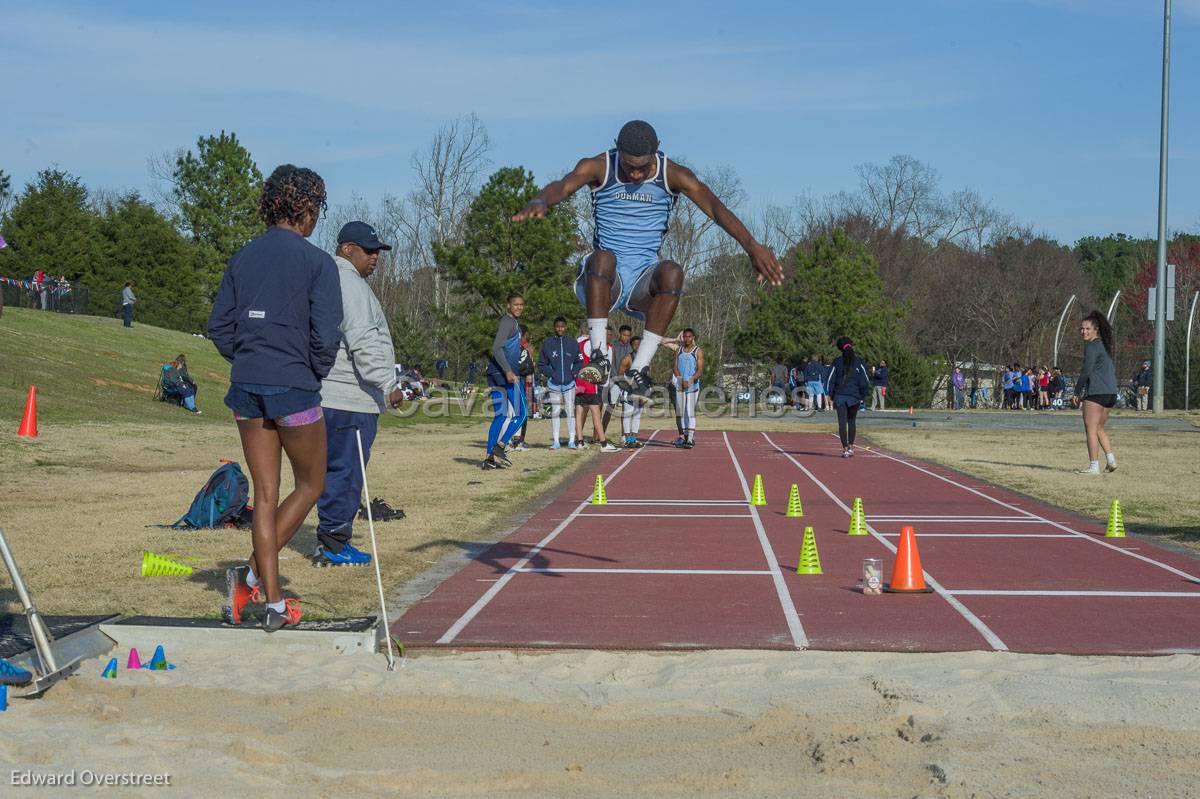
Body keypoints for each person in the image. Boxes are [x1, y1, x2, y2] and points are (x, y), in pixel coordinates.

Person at [511, 119, 783, 402]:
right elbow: (563, 186)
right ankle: (599, 356)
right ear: (617, 150)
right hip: (604, 281)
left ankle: (639, 369)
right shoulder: (600, 166)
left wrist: (752, 246)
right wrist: (542, 200)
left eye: (643, 166)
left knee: (673, 271)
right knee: (603, 258)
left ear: (657, 151)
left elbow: (715, 208)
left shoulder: (675, 175)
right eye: (630, 167)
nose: (637, 173)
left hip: (643, 281)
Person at [208, 164, 342, 632]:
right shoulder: (318, 262)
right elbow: (327, 336)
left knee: (265, 495)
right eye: (318, 211)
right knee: (310, 485)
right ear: (305, 208)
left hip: (245, 387)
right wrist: (309, 372)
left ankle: (272, 601)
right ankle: (251, 579)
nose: (317, 221)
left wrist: (249, 356)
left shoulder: (242, 257)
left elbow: (219, 328)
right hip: (295, 388)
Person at [313, 221, 405, 567]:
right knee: (346, 473)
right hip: (349, 399)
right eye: (369, 251)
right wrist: (388, 385)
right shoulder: (349, 283)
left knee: (322, 474)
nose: (375, 258)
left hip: (325, 396)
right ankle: (334, 543)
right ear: (346, 249)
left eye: (378, 251)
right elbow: (364, 340)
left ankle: (328, 538)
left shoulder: (323, 278)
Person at [482, 293, 530, 469]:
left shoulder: (512, 323)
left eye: (521, 304)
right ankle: (500, 446)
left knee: (501, 415)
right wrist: (508, 370)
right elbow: (496, 347)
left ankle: (488, 459)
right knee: (522, 413)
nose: (519, 307)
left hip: (495, 373)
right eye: (515, 304)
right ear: (508, 305)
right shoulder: (508, 321)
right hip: (504, 375)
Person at [1071, 310, 1119, 475]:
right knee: (1099, 428)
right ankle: (1111, 460)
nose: (1083, 332)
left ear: (1096, 329)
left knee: (1090, 429)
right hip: (1110, 393)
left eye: (1087, 329)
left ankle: (1094, 466)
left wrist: (1077, 391)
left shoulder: (1092, 346)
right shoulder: (1105, 345)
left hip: (1096, 393)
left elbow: (1086, 370)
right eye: (1082, 329)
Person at [538, 316, 583, 449]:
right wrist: (551, 374)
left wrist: (573, 373)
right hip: (554, 384)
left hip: (569, 384)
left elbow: (579, 361)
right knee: (556, 411)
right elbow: (542, 364)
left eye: (562, 326)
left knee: (570, 411)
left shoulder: (573, 343)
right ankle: (556, 441)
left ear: (566, 327)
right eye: (557, 326)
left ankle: (571, 440)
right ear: (554, 327)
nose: (560, 329)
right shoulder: (547, 343)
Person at [826, 337, 872, 458]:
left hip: (840, 396)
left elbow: (830, 379)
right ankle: (851, 446)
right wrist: (863, 395)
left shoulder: (836, 362)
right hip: (854, 396)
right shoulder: (859, 362)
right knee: (851, 421)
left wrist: (830, 394)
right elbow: (865, 381)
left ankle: (845, 449)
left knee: (842, 422)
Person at [574, 326, 612, 449]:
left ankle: (579, 441)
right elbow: (602, 368)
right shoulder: (599, 347)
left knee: (579, 412)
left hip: (579, 381)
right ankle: (603, 443)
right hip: (591, 383)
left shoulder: (579, 343)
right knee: (596, 413)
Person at [602, 325, 634, 438]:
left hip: (627, 382)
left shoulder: (631, 347)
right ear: (620, 334)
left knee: (626, 409)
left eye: (628, 335)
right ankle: (601, 435)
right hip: (614, 380)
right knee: (610, 408)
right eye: (624, 335)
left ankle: (624, 436)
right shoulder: (613, 346)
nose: (626, 337)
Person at [673, 328, 703, 448]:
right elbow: (674, 367)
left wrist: (690, 381)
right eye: (685, 336)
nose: (687, 339)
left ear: (693, 337)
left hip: (692, 385)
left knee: (690, 412)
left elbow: (700, 370)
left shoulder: (698, 351)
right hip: (680, 385)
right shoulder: (678, 350)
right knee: (682, 412)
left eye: (689, 336)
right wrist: (680, 379)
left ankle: (690, 439)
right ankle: (685, 437)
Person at [618, 336, 645, 448]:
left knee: (637, 416)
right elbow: (619, 375)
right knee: (628, 415)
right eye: (635, 344)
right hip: (628, 392)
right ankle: (627, 439)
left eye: (639, 344)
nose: (637, 346)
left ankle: (633, 439)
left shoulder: (645, 358)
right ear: (631, 345)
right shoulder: (627, 358)